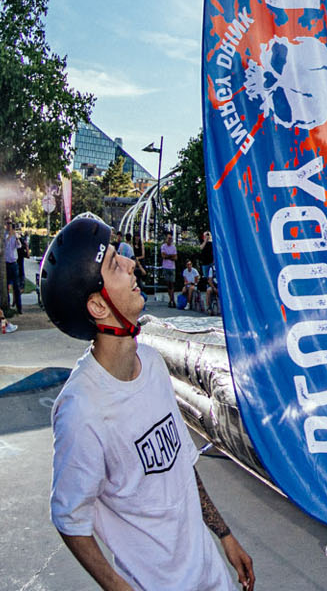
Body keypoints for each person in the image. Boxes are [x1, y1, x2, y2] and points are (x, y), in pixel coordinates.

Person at [39, 216, 254, 591]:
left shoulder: (152, 363)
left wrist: (225, 535)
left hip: (210, 575)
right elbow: (70, 520)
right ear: (98, 306)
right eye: (113, 264)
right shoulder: (82, 410)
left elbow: (180, 463)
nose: (129, 263)